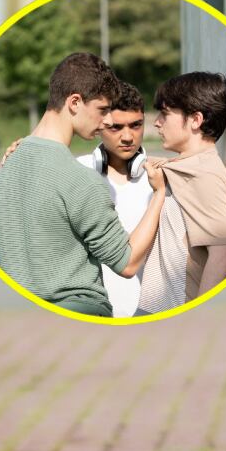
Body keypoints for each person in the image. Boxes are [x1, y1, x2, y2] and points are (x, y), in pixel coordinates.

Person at [0, 53, 166, 318]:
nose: (106, 121)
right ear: (74, 102)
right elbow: (127, 263)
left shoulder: (0, 179)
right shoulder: (80, 179)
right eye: (102, 110)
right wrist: (160, 193)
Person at [136, 71, 226, 313]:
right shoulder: (184, 168)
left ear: (195, 120)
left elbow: (222, 256)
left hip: (171, 311)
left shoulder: (204, 175)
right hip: (153, 308)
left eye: (166, 114)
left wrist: (195, 318)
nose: (157, 122)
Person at [74, 80, 152, 318]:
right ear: (99, 126)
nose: (128, 137)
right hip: (94, 311)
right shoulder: (78, 171)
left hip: (150, 311)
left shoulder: (161, 178)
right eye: (116, 128)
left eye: (136, 125)